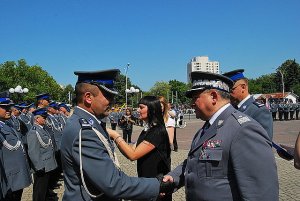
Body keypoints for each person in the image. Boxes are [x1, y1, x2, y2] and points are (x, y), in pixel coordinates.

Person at [163, 71, 279, 201]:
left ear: (213, 97)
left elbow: (260, 193)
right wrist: (174, 176)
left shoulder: (244, 129)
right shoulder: (206, 127)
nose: (192, 103)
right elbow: (196, 162)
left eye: (195, 97)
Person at [60, 69, 172, 201]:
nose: (112, 101)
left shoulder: (87, 124)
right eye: (108, 96)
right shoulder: (85, 132)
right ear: (88, 97)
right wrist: (157, 185)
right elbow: (113, 184)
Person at [108, 95, 172, 201]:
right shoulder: (147, 129)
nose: (138, 110)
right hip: (147, 182)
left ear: (152, 109)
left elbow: (133, 155)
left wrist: (115, 136)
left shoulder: (157, 131)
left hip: (157, 185)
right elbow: (132, 150)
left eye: (141, 107)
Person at [223, 69, 274, 140]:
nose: (228, 94)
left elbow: (264, 143)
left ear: (243, 87)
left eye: (231, 90)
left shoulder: (259, 111)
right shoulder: (231, 109)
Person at [0, 97, 32, 201]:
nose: (9, 110)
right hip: (9, 178)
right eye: (5, 107)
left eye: (9, 107)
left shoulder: (8, 123)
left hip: (17, 175)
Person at [26, 107, 58, 201]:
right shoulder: (34, 132)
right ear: (37, 119)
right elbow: (33, 151)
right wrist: (39, 167)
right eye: (43, 117)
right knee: (39, 191)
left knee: (45, 189)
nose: (45, 119)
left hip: (48, 165)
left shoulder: (42, 129)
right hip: (42, 166)